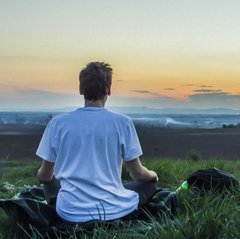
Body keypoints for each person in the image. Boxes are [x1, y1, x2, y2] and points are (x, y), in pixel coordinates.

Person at [36, 62, 158, 223]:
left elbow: (44, 176)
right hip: (114, 211)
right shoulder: (123, 122)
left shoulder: (57, 124)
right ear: (108, 89)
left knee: (49, 181)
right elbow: (137, 174)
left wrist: (53, 177)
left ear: (81, 90)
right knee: (148, 185)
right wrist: (153, 175)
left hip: (70, 213)